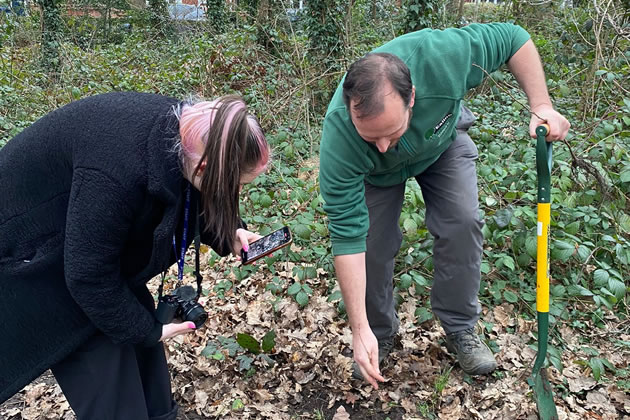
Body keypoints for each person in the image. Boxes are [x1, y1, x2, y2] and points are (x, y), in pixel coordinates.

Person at [318, 22, 571, 388]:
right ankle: (377, 334)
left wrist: (541, 104)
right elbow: (347, 238)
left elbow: (515, 39)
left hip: (442, 143)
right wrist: (358, 330)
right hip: (375, 175)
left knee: (462, 222)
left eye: (391, 132)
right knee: (372, 244)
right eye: (372, 136)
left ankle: (460, 329)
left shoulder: (444, 57)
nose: (384, 145)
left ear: (413, 98)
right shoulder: (340, 135)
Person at [0, 92, 270, 419]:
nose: (236, 193)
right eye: (235, 184)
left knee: (146, 367)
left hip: (89, 254)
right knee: (114, 376)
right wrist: (148, 331)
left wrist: (231, 233)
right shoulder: (117, 161)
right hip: (30, 262)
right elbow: (88, 277)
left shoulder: (189, 135)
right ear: (207, 166)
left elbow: (188, 194)